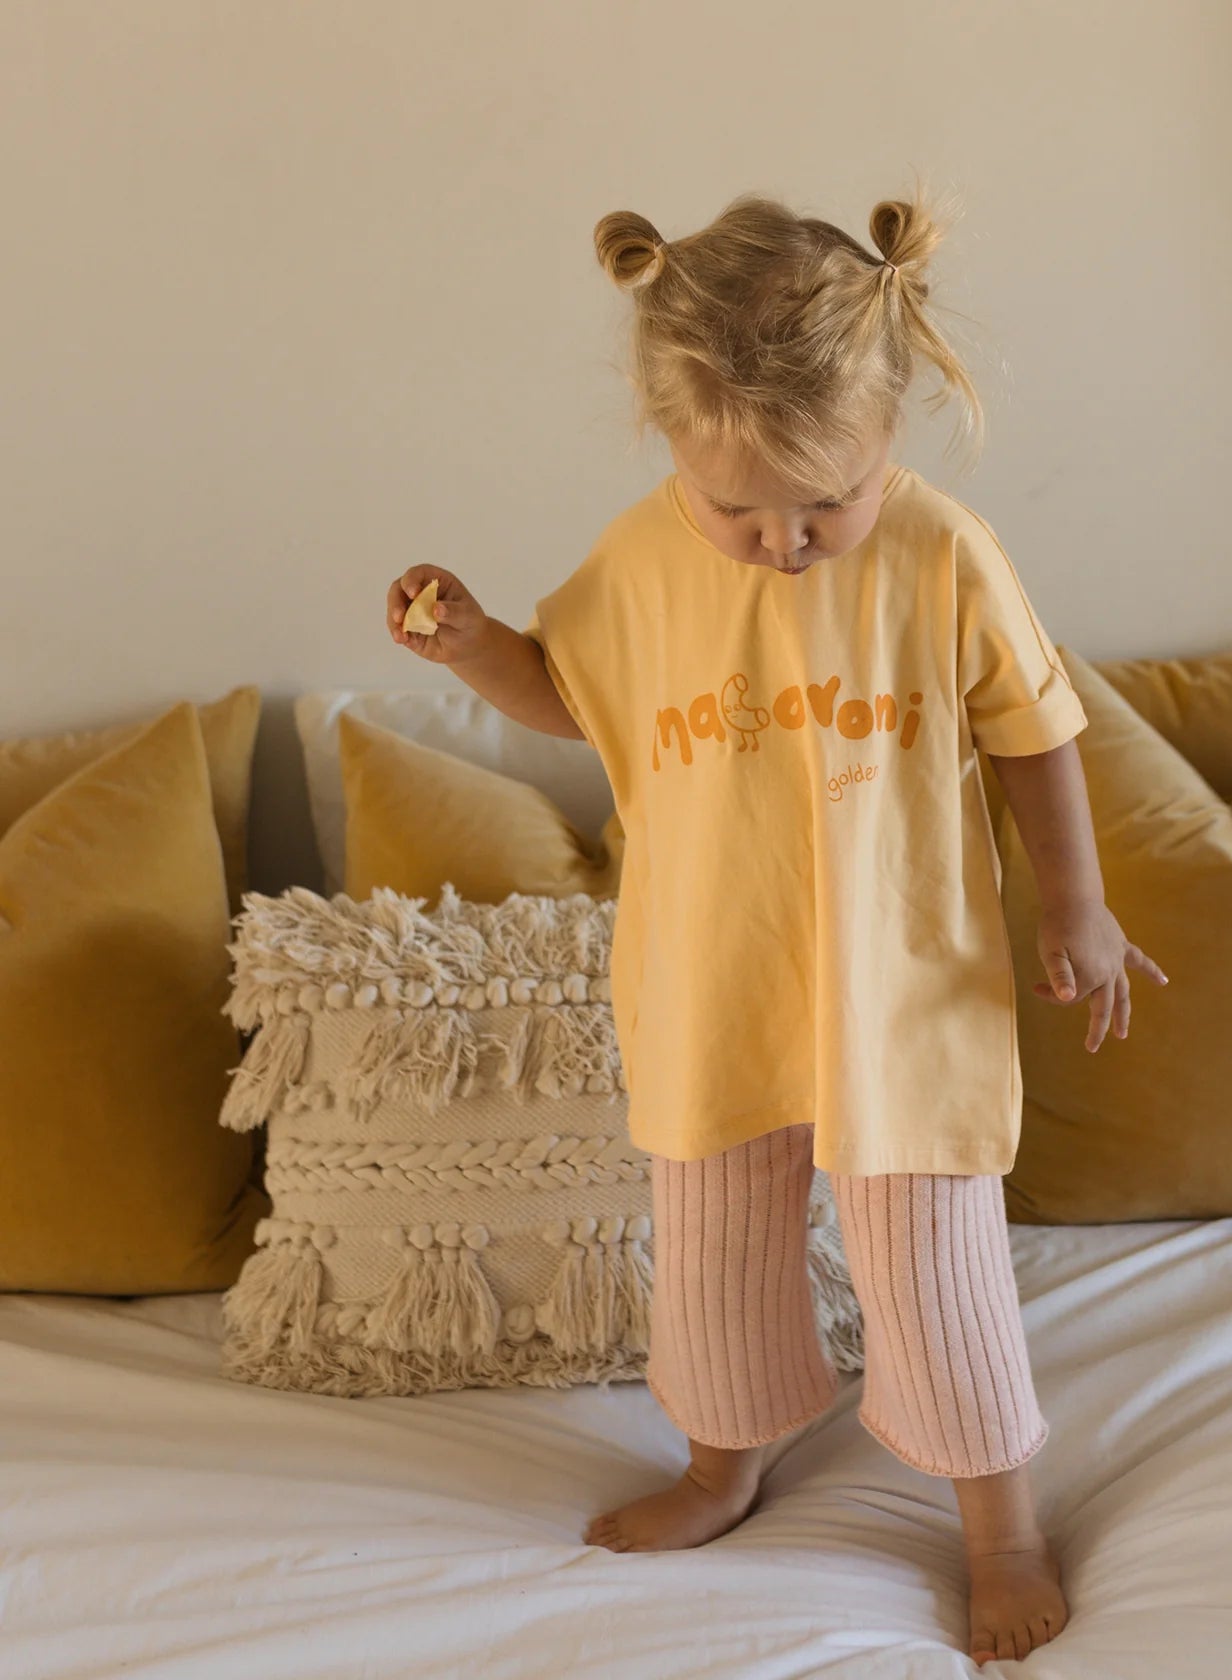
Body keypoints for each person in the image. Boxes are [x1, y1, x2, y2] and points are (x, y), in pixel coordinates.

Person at [384, 185, 1166, 1667]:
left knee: (934, 1260)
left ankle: (997, 1521)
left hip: (904, 988)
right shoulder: (641, 554)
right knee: (718, 1253)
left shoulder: (943, 553)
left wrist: (1079, 904)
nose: (787, 543)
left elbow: (1035, 733)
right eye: (742, 510)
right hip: (712, 976)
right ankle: (722, 1462)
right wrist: (475, 643)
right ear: (673, 445)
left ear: (889, 436)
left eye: (829, 503)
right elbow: (577, 693)